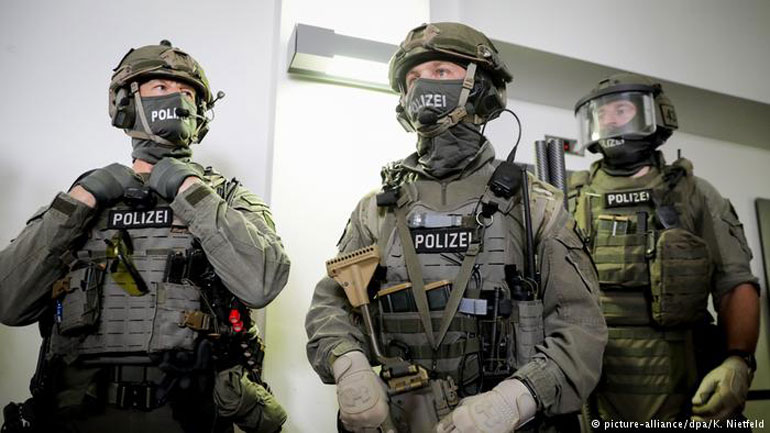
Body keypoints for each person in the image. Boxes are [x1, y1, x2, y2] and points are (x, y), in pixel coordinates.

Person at [306, 22, 607, 433]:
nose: (423, 85)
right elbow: (332, 305)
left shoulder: (536, 205)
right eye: (413, 78)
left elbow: (580, 328)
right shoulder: (375, 210)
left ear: (480, 86)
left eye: (441, 71)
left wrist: (517, 398)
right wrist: (349, 364)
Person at [0, 40, 290, 433]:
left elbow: (263, 282)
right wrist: (81, 201)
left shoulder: (226, 198)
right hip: (76, 413)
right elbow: (9, 301)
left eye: (188, 93)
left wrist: (190, 190)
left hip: (185, 413)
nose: (178, 100)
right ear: (124, 102)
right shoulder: (80, 200)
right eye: (161, 87)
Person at [569, 73, 760, 424]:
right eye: (601, 114)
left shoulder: (695, 193)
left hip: (685, 378)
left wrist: (739, 360)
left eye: (621, 110)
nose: (610, 121)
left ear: (654, 115)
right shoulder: (570, 198)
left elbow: (735, 283)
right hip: (594, 381)